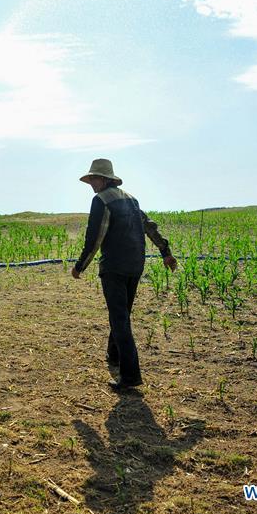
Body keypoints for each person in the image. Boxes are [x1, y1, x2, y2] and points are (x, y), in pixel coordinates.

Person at [71, 158, 177, 390]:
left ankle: (130, 376)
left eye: (93, 179)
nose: (91, 184)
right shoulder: (131, 199)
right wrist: (165, 252)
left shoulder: (101, 201)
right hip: (135, 265)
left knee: (119, 318)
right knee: (122, 313)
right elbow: (149, 226)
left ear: (104, 179)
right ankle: (114, 354)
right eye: (90, 180)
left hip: (114, 267)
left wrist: (80, 266)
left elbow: (94, 237)